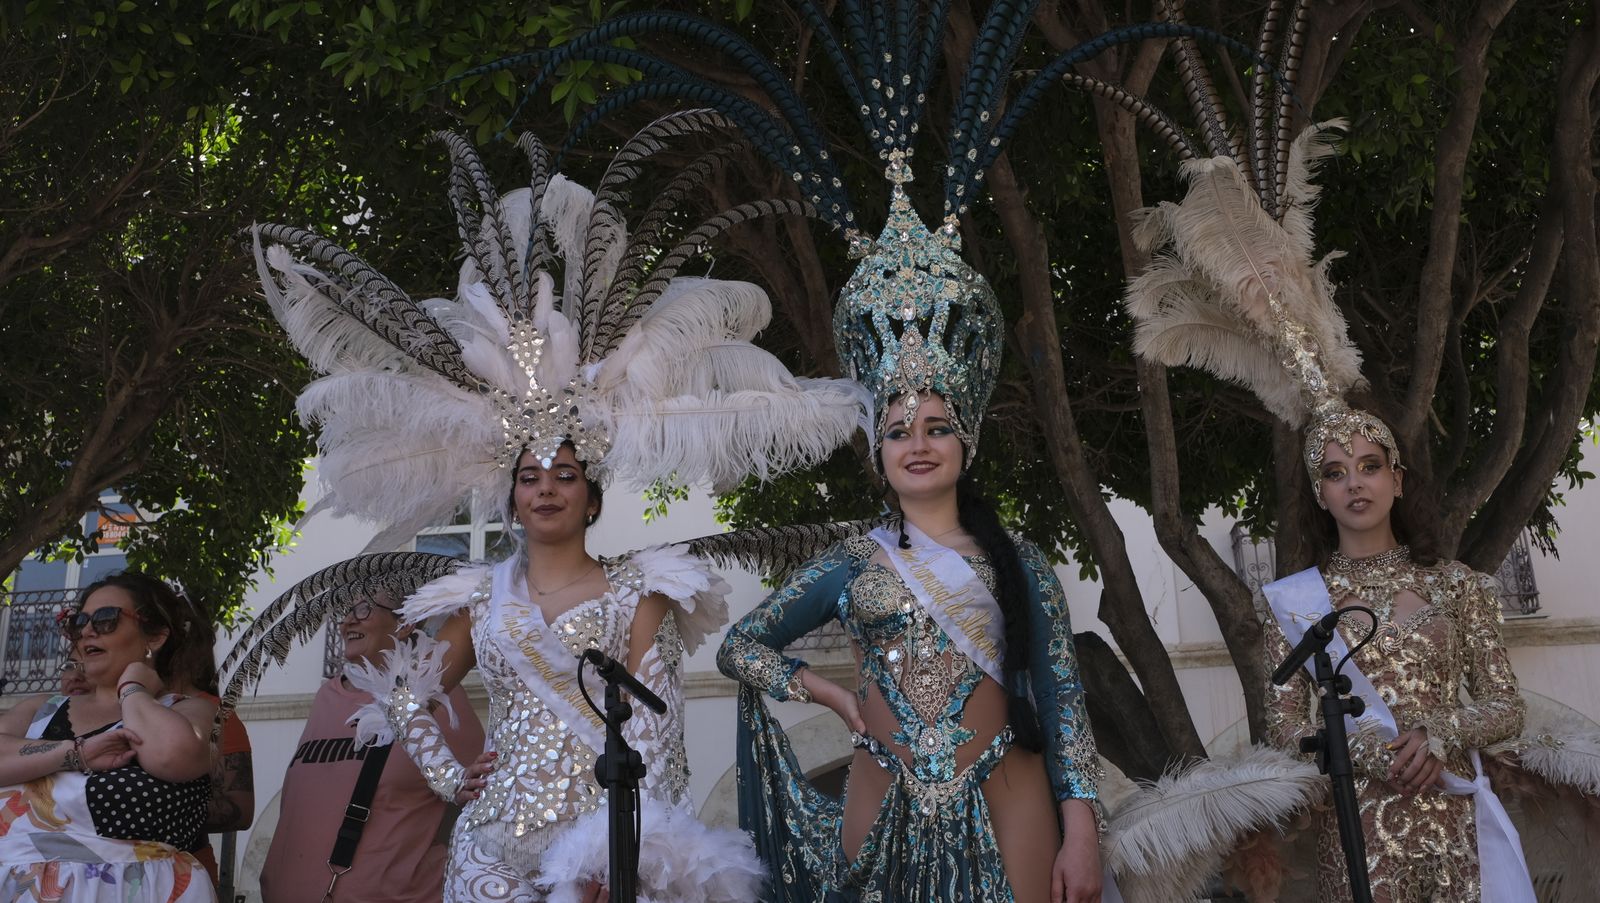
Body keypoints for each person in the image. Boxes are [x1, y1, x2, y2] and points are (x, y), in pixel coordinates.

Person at [248, 118, 863, 902]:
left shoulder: (640, 590)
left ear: (591, 494)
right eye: (531, 475)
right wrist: (450, 777)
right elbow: (404, 692)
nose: (546, 486)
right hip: (490, 850)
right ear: (511, 496)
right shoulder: (481, 599)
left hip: (601, 849)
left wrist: (626, 853)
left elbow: (659, 739)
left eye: (565, 474)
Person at [717, 166, 1107, 903]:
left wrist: (1082, 830)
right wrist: (830, 695)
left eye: (937, 428)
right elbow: (738, 647)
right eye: (899, 431)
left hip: (1009, 788)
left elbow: (1062, 699)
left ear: (967, 442)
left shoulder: (1019, 561)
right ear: (879, 451)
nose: (918, 444)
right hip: (883, 792)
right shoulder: (849, 563)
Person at [1259, 423, 1532, 902]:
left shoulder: (1457, 586)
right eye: (1335, 473)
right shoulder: (1299, 604)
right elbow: (1283, 727)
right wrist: (1366, 752)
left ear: (1397, 479)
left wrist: (1440, 733)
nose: (1354, 484)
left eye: (1370, 466)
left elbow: (1507, 704)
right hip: (1357, 831)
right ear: (1321, 495)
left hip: (1457, 819)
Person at [0, 572, 219, 902]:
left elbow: (173, 756)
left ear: (155, 637)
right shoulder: (40, 709)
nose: (87, 631)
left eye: (106, 619)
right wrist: (78, 753)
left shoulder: (190, 711)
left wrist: (132, 688)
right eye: (79, 621)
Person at [260, 586, 485, 903]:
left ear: (404, 623)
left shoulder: (439, 695)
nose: (347, 621)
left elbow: (483, 801)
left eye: (364, 609)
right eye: (345, 610)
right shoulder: (327, 697)